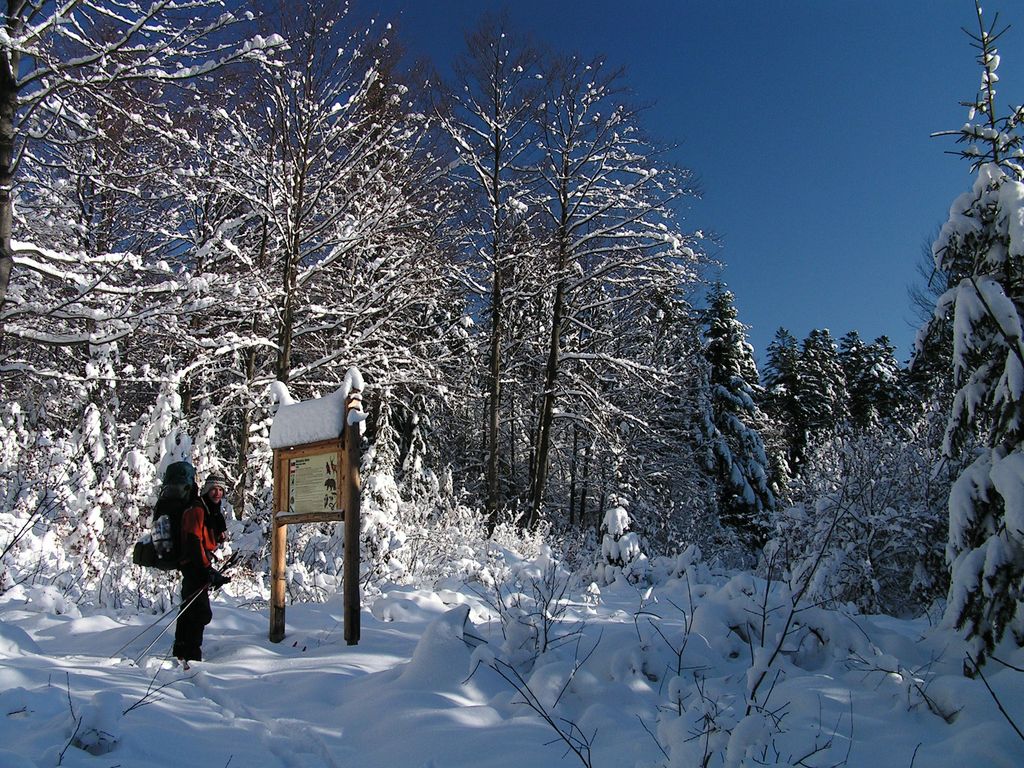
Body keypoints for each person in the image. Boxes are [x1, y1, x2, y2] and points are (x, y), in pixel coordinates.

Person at [173, 473, 230, 669]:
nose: (217, 493)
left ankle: (180, 651)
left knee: (189, 608)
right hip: (193, 565)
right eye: (214, 488)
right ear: (206, 489)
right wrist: (206, 569)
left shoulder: (210, 510)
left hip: (197, 564)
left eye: (221, 490)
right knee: (200, 613)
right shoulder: (197, 510)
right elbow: (193, 541)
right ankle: (192, 655)